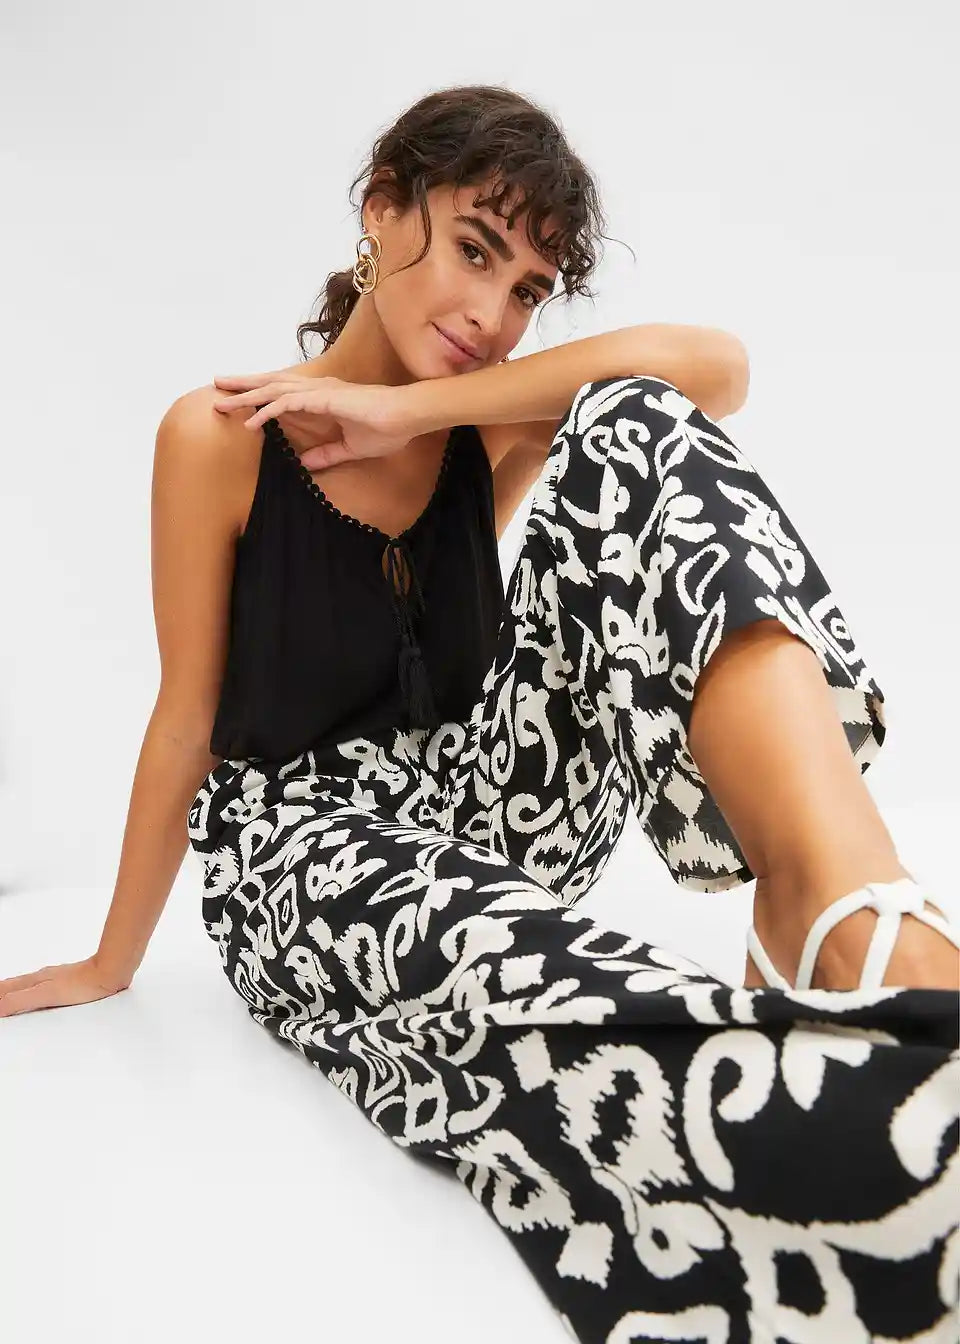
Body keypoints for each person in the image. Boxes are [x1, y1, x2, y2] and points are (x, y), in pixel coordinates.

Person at [3, 83, 958, 1342]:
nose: (493, 314)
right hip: (304, 850)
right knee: (527, 979)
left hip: (486, 793)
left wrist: (408, 409)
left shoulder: (480, 421)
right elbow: (185, 718)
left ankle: (841, 907)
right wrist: (109, 961)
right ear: (380, 210)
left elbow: (715, 369)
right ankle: (865, 1146)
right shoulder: (220, 437)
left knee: (633, 418)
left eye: (526, 289)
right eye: (472, 248)